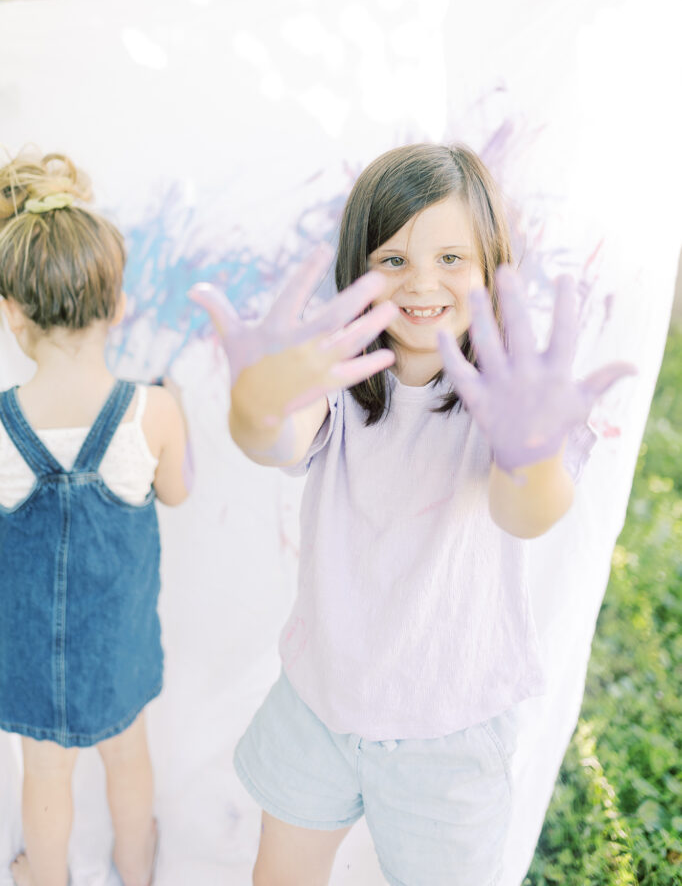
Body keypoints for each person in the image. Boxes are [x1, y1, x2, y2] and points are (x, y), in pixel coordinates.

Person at [190, 143, 633, 886]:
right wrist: (257, 402)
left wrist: (530, 452)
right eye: (392, 259)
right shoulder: (336, 378)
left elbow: (526, 512)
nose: (422, 282)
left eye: (452, 258)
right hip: (318, 704)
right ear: (355, 270)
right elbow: (273, 438)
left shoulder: (516, 400)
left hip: (449, 732)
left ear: (494, 267)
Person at [0, 150, 190, 886]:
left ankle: (43, 878)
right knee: (128, 757)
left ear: (12, 313)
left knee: (42, 779)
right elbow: (174, 494)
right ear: (117, 305)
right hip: (119, 644)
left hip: (26, 649)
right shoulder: (154, 410)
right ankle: (135, 866)